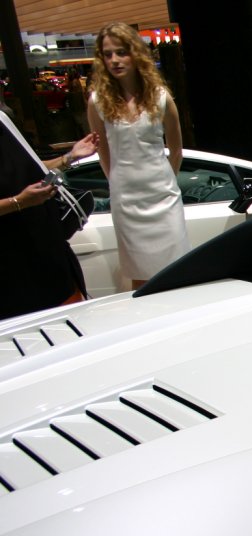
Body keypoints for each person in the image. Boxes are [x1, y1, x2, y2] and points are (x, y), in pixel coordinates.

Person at [87, 21, 187, 291]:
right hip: (127, 201)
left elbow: (176, 150)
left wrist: (165, 181)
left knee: (175, 272)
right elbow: (103, 153)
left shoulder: (160, 97)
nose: (114, 60)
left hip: (163, 198)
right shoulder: (98, 101)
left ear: (136, 53)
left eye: (121, 52)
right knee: (141, 280)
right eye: (107, 54)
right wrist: (119, 182)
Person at [1, 112, 98, 319]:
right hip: (13, 273)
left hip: (49, 254)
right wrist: (19, 201)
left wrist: (69, 158)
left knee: (72, 326)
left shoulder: (3, 120)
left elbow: (32, 168)